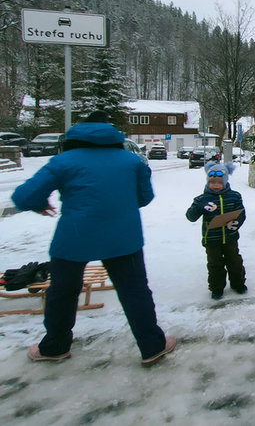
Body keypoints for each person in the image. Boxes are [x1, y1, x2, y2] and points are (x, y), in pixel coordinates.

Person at [12, 110, 176, 365]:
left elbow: (23, 197)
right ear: (112, 135)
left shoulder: (63, 161)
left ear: (77, 135)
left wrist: (39, 202)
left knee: (62, 293)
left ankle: (54, 347)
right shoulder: (132, 161)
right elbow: (145, 198)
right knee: (135, 293)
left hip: (74, 237)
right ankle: (152, 346)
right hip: (123, 238)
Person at [185, 162, 247, 300]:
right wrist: (200, 207)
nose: (216, 185)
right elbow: (190, 217)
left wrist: (235, 223)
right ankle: (217, 288)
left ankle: (238, 284)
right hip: (211, 239)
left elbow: (241, 214)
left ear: (225, 182)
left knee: (235, 261)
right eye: (212, 182)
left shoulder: (235, 196)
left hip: (230, 237)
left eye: (219, 182)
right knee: (215, 265)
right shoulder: (201, 199)